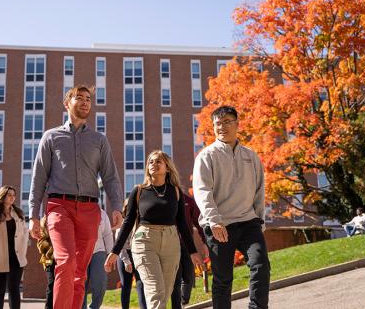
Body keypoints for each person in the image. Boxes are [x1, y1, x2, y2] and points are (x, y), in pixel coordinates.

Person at [28, 84, 124, 309]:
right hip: (59, 206)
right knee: (66, 261)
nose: (84, 102)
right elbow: (38, 178)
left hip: (90, 210)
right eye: (79, 98)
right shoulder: (51, 137)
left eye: (88, 99)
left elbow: (110, 176)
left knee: (80, 273)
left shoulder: (99, 140)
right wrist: (33, 215)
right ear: (67, 103)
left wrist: (117, 206)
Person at [193, 106, 270, 309]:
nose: (222, 126)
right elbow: (202, 192)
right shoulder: (206, 156)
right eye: (218, 123)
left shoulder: (251, 156)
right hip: (219, 226)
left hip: (248, 223)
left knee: (261, 266)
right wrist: (214, 221)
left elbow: (259, 191)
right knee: (223, 280)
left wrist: (259, 221)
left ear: (237, 124)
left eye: (227, 121)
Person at [105, 150, 203, 309]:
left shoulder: (175, 191)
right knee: (156, 292)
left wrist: (193, 251)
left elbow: (182, 224)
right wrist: (115, 251)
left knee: (164, 293)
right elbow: (128, 223)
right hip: (145, 241)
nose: (154, 164)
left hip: (171, 242)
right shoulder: (139, 191)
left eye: (158, 162)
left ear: (167, 167)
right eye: (151, 162)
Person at [171, 192, 207, 309]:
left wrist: (205, 242)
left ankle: (183, 302)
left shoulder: (188, 200)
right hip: (170, 246)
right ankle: (177, 305)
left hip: (187, 245)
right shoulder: (165, 199)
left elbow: (199, 221)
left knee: (189, 276)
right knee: (176, 278)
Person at [115, 201, 147, 309]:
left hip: (137, 253)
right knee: (126, 285)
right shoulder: (122, 224)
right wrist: (127, 261)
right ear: (125, 209)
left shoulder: (140, 223)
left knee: (141, 284)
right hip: (124, 255)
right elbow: (120, 246)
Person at [82, 209, 113, 309]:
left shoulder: (102, 213)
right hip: (81, 252)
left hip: (99, 251)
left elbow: (108, 234)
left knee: (100, 283)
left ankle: (94, 307)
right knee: (81, 284)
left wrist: (111, 254)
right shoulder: (77, 209)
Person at [37, 215, 55, 309]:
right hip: (49, 262)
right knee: (51, 284)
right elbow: (43, 250)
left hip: (60, 261)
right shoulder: (42, 237)